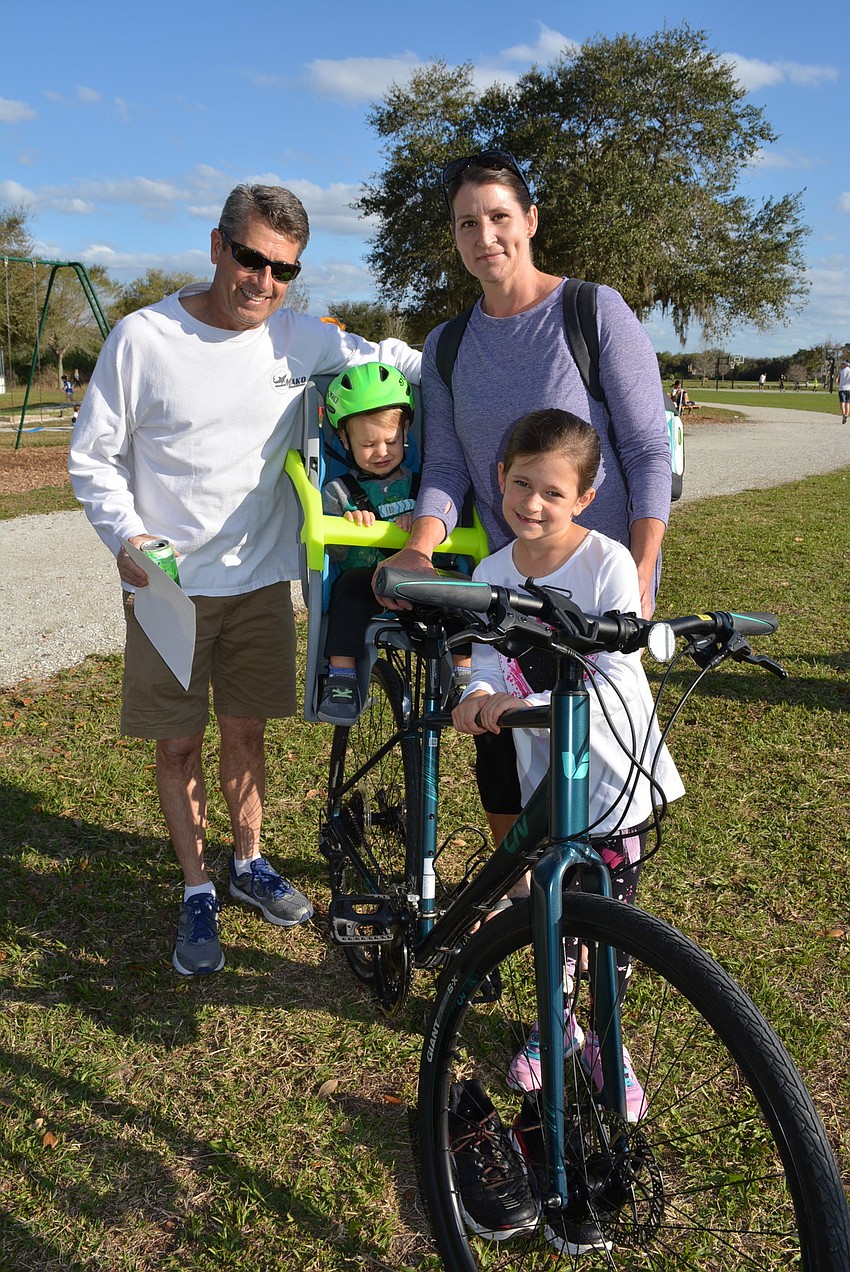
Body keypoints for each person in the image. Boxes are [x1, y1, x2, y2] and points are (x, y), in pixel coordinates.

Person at [68, 183, 421, 977]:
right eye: (254, 259)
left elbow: (393, 363)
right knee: (179, 741)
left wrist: (490, 360)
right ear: (220, 246)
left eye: (285, 269)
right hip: (167, 588)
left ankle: (249, 862)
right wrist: (125, 535)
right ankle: (198, 887)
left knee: (248, 732)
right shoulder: (142, 337)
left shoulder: (303, 339)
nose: (265, 281)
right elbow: (93, 455)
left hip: (261, 584)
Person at [376, 148, 671, 853]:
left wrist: (644, 568)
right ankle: (520, 892)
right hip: (507, 585)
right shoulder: (447, 346)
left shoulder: (591, 311)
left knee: (596, 744)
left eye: (499, 217)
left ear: (530, 220)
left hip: (595, 580)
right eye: (466, 224)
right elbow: (447, 465)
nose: (485, 238)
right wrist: (420, 545)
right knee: (498, 733)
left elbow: (646, 451)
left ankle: (598, 896)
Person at [449, 408, 684, 1249]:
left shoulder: (607, 562)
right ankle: (561, 1030)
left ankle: (599, 1043)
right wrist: (476, 693)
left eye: (554, 491)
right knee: (546, 906)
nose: (534, 504)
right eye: (521, 484)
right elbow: (478, 653)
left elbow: (616, 682)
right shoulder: (491, 565)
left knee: (600, 920)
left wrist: (517, 704)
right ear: (500, 478)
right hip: (547, 779)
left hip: (614, 781)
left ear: (587, 495)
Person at [318, 362, 470, 724]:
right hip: (369, 580)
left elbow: (450, 523)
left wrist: (421, 524)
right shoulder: (338, 493)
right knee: (348, 591)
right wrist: (349, 526)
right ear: (344, 441)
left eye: (391, 440)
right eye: (368, 444)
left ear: (406, 431)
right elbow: (333, 553)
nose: (382, 451)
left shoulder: (425, 487)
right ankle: (341, 678)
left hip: (424, 577)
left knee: (463, 593)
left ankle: (466, 677)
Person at [837, 358, 850, 423]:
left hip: (842, 388)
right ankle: (846, 414)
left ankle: (844, 414)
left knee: (842, 402)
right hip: (849, 389)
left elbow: (836, 381)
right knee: (847, 403)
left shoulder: (840, 371)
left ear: (845, 364)